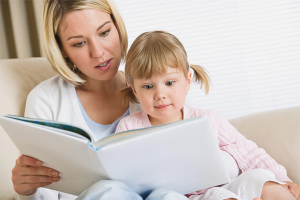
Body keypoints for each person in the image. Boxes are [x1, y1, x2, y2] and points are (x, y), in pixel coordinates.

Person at [11, 1, 191, 200]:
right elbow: (43, 191)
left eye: (104, 32)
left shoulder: (156, 92)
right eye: (79, 43)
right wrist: (27, 191)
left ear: (117, 27)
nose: (98, 52)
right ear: (62, 49)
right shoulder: (46, 100)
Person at [110, 31, 300, 200]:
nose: (160, 94)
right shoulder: (130, 127)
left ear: (187, 81)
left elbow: (246, 150)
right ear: (134, 89)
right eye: (148, 86)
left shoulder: (206, 119)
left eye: (169, 83)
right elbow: (122, 176)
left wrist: (281, 178)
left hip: (223, 188)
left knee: (260, 179)